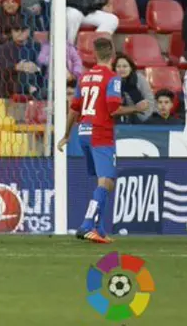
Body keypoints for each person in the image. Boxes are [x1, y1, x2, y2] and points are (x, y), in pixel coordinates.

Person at [57, 38, 148, 244]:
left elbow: (74, 108)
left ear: (95, 54)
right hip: (101, 133)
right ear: (113, 54)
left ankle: (100, 229)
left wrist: (66, 134)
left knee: (107, 181)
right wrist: (137, 108)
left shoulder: (85, 77)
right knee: (105, 180)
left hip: (84, 133)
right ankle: (87, 225)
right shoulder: (112, 78)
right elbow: (113, 109)